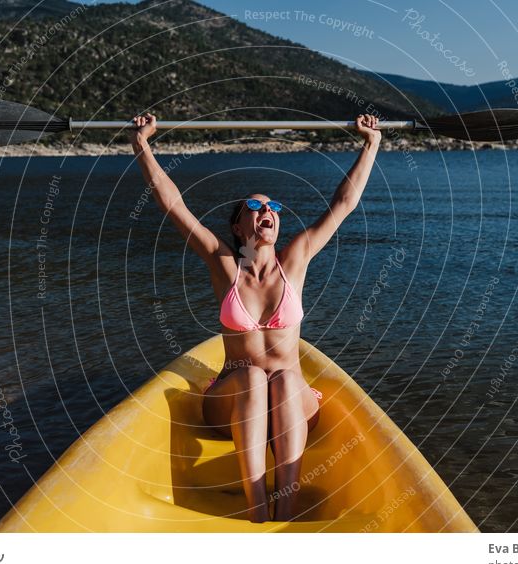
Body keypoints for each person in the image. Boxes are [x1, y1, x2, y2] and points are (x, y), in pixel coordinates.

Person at [128, 113, 381, 522]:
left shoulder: (295, 260)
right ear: (237, 224)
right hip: (232, 400)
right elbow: (173, 204)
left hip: (291, 400)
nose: (267, 211)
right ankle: (257, 509)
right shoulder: (224, 264)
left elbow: (344, 204)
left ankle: (288, 503)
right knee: (253, 376)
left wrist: (370, 143)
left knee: (280, 378)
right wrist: (142, 145)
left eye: (273, 207)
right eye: (255, 206)